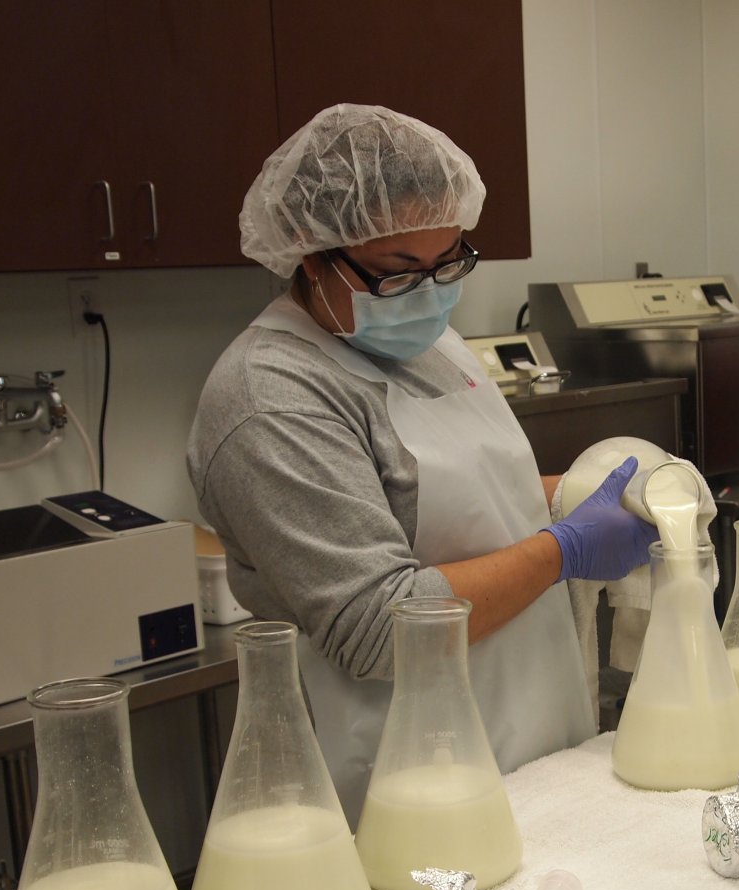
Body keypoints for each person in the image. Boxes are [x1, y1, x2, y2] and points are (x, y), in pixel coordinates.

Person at [187, 104, 654, 821]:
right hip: (405, 771)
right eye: (400, 273)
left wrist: (599, 488)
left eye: (450, 262)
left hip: (531, 732)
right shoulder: (270, 397)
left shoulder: (422, 342)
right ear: (311, 259)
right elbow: (378, 626)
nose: (432, 293)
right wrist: (563, 550)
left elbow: (456, 498)